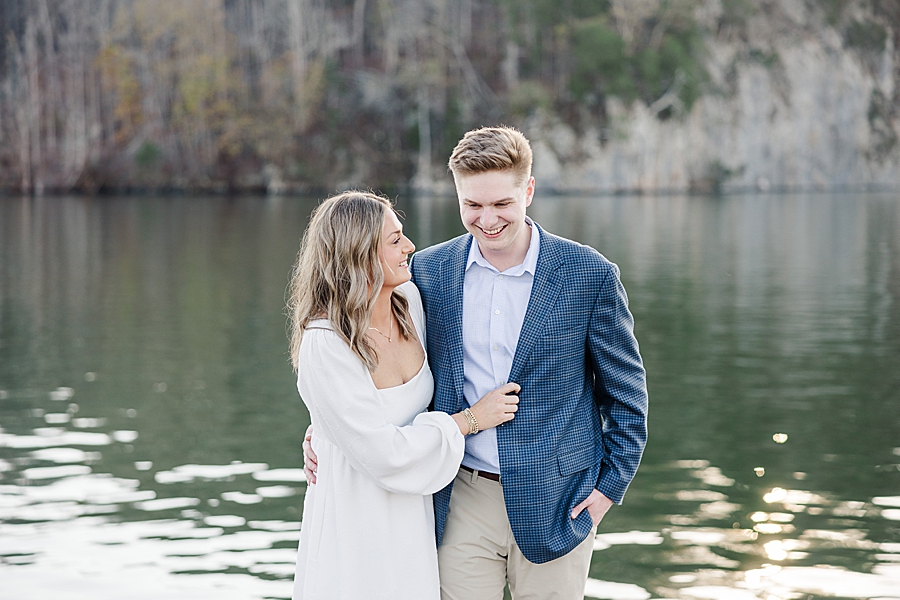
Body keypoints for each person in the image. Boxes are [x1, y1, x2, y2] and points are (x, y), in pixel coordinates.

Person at [304, 126, 648, 600]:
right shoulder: (424, 273)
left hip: (560, 497)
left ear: (528, 190)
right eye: (473, 205)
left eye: (501, 204)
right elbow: (358, 353)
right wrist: (324, 427)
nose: (488, 220)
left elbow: (627, 396)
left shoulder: (590, 275)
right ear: (458, 195)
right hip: (460, 492)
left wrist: (610, 487)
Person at [287, 190, 520, 600]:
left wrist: (325, 425)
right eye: (395, 240)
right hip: (356, 514)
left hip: (412, 513)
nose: (410, 246)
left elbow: (374, 412)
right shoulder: (325, 342)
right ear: (357, 254)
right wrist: (470, 420)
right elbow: (382, 452)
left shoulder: (409, 303)